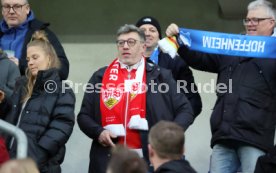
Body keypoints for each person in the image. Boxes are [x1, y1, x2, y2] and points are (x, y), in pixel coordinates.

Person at [165, 0, 276, 172]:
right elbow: (201, 59)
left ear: (272, 22)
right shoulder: (233, 46)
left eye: (256, 20)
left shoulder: (275, 52)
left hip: (256, 138)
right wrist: (179, 40)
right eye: (247, 20)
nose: (250, 24)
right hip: (224, 135)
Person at [77, 24, 194, 173]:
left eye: (131, 42)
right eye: (121, 42)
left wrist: (168, 136)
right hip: (109, 159)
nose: (125, 46)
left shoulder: (161, 76)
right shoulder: (100, 76)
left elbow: (185, 110)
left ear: (143, 47)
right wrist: (98, 132)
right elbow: (84, 116)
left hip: (149, 159)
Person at [0, 30, 75, 173]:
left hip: (40, 167)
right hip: (10, 162)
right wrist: (3, 101)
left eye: (35, 57)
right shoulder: (21, 85)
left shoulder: (63, 91)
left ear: (49, 57)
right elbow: (8, 118)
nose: (31, 63)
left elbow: (60, 129)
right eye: (28, 60)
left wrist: (33, 159)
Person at [136, 16, 202, 117]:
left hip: (165, 130)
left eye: (152, 30)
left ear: (159, 37)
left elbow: (193, 101)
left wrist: (176, 125)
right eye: (142, 30)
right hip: (130, 130)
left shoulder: (175, 63)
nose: (147, 33)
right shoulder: (124, 63)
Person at [0, 0, 69, 80]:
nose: (11, 11)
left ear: (27, 9)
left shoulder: (42, 33)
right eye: (6, 6)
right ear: (2, 10)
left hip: (30, 90)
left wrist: (22, 65)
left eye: (17, 6)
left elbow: (63, 70)